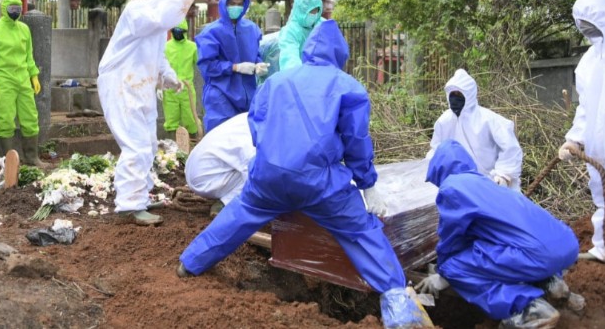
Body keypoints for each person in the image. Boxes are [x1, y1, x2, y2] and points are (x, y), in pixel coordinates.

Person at [178, 21, 429, 328]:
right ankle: (398, 304)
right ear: (340, 54)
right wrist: (367, 183)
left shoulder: (277, 81)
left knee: (239, 216)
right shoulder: (347, 86)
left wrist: (273, 157)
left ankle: (190, 263)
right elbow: (356, 141)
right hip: (319, 184)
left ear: (308, 48)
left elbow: (256, 122)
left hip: (267, 176)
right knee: (361, 232)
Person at [418, 139, 578, 328]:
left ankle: (529, 310)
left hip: (536, 254)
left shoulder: (452, 187)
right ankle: (552, 285)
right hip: (567, 245)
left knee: (455, 267)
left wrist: (443, 272)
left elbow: (452, 237)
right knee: (498, 254)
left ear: (438, 168)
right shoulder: (485, 183)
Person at [98, 0, 195, 226]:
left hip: (140, 88)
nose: (180, 13)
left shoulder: (159, 28)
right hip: (121, 85)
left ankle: (140, 194)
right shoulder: (138, 11)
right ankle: (130, 205)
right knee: (136, 145)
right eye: (179, 6)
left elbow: (159, 57)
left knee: (148, 144)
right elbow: (155, 20)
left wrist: (170, 77)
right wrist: (173, 8)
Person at [558, 0, 605, 262]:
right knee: (602, 194)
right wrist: (575, 138)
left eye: (592, 22)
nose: (588, 29)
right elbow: (585, 109)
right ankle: (603, 246)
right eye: (583, 25)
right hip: (598, 142)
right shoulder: (587, 62)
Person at [425, 68, 523, 190]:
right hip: (458, 185)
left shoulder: (489, 120)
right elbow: (437, 150)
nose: (455, 98)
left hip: (490, 184)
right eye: (452, 94)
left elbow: (510, 148)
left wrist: (503, 175)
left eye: (459, 94)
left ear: (469, 94)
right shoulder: (444, 121)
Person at [0, 0, 45, 169]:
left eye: (18, 7)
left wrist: (34, 76)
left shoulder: (24, 29)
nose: (15, 10)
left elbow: (29, 55)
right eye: (12, 7)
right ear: (4, 8)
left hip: (23, 79)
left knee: (30, 117)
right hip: (4, 80)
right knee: (6, 120)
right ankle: (8, 161)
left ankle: (32, 158)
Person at [196, 0, 267, 133]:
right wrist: (235, 67)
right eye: (232, 3)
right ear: (224, 4)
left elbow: (256, 55)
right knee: (221, 141)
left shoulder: (252, 29)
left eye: (240, 4)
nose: (236, 7)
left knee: (246, 143)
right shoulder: (211, 32)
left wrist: (258, 65)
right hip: (221, 98)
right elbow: (207, 66)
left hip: (248, 95)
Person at [184, 112, 254, 217]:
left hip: (203, 169)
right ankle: (228, 203)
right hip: (207, 179)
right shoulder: (251, 136)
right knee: (263, 172)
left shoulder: (249, 117)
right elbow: (254, 174)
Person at [158, 19, 198, 139]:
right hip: (170, 89)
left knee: (191, 119)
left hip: (187, 90)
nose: (178, 32)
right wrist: (160, 86)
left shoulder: (193, 47)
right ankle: (172, 148)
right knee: (171, 120)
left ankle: (192, 145)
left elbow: (201, 64)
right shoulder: (165, 47)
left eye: (180, 30)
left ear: (185, 31)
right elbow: (159, 67)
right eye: (175, 30)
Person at [278, 0, 323, 71]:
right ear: (300, 10)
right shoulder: (290, 32)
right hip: (301, 78)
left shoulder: (322, 24)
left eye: (316, 10)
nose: (314, 14)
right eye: (310, 11)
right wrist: (300, 77)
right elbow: (290, 60)